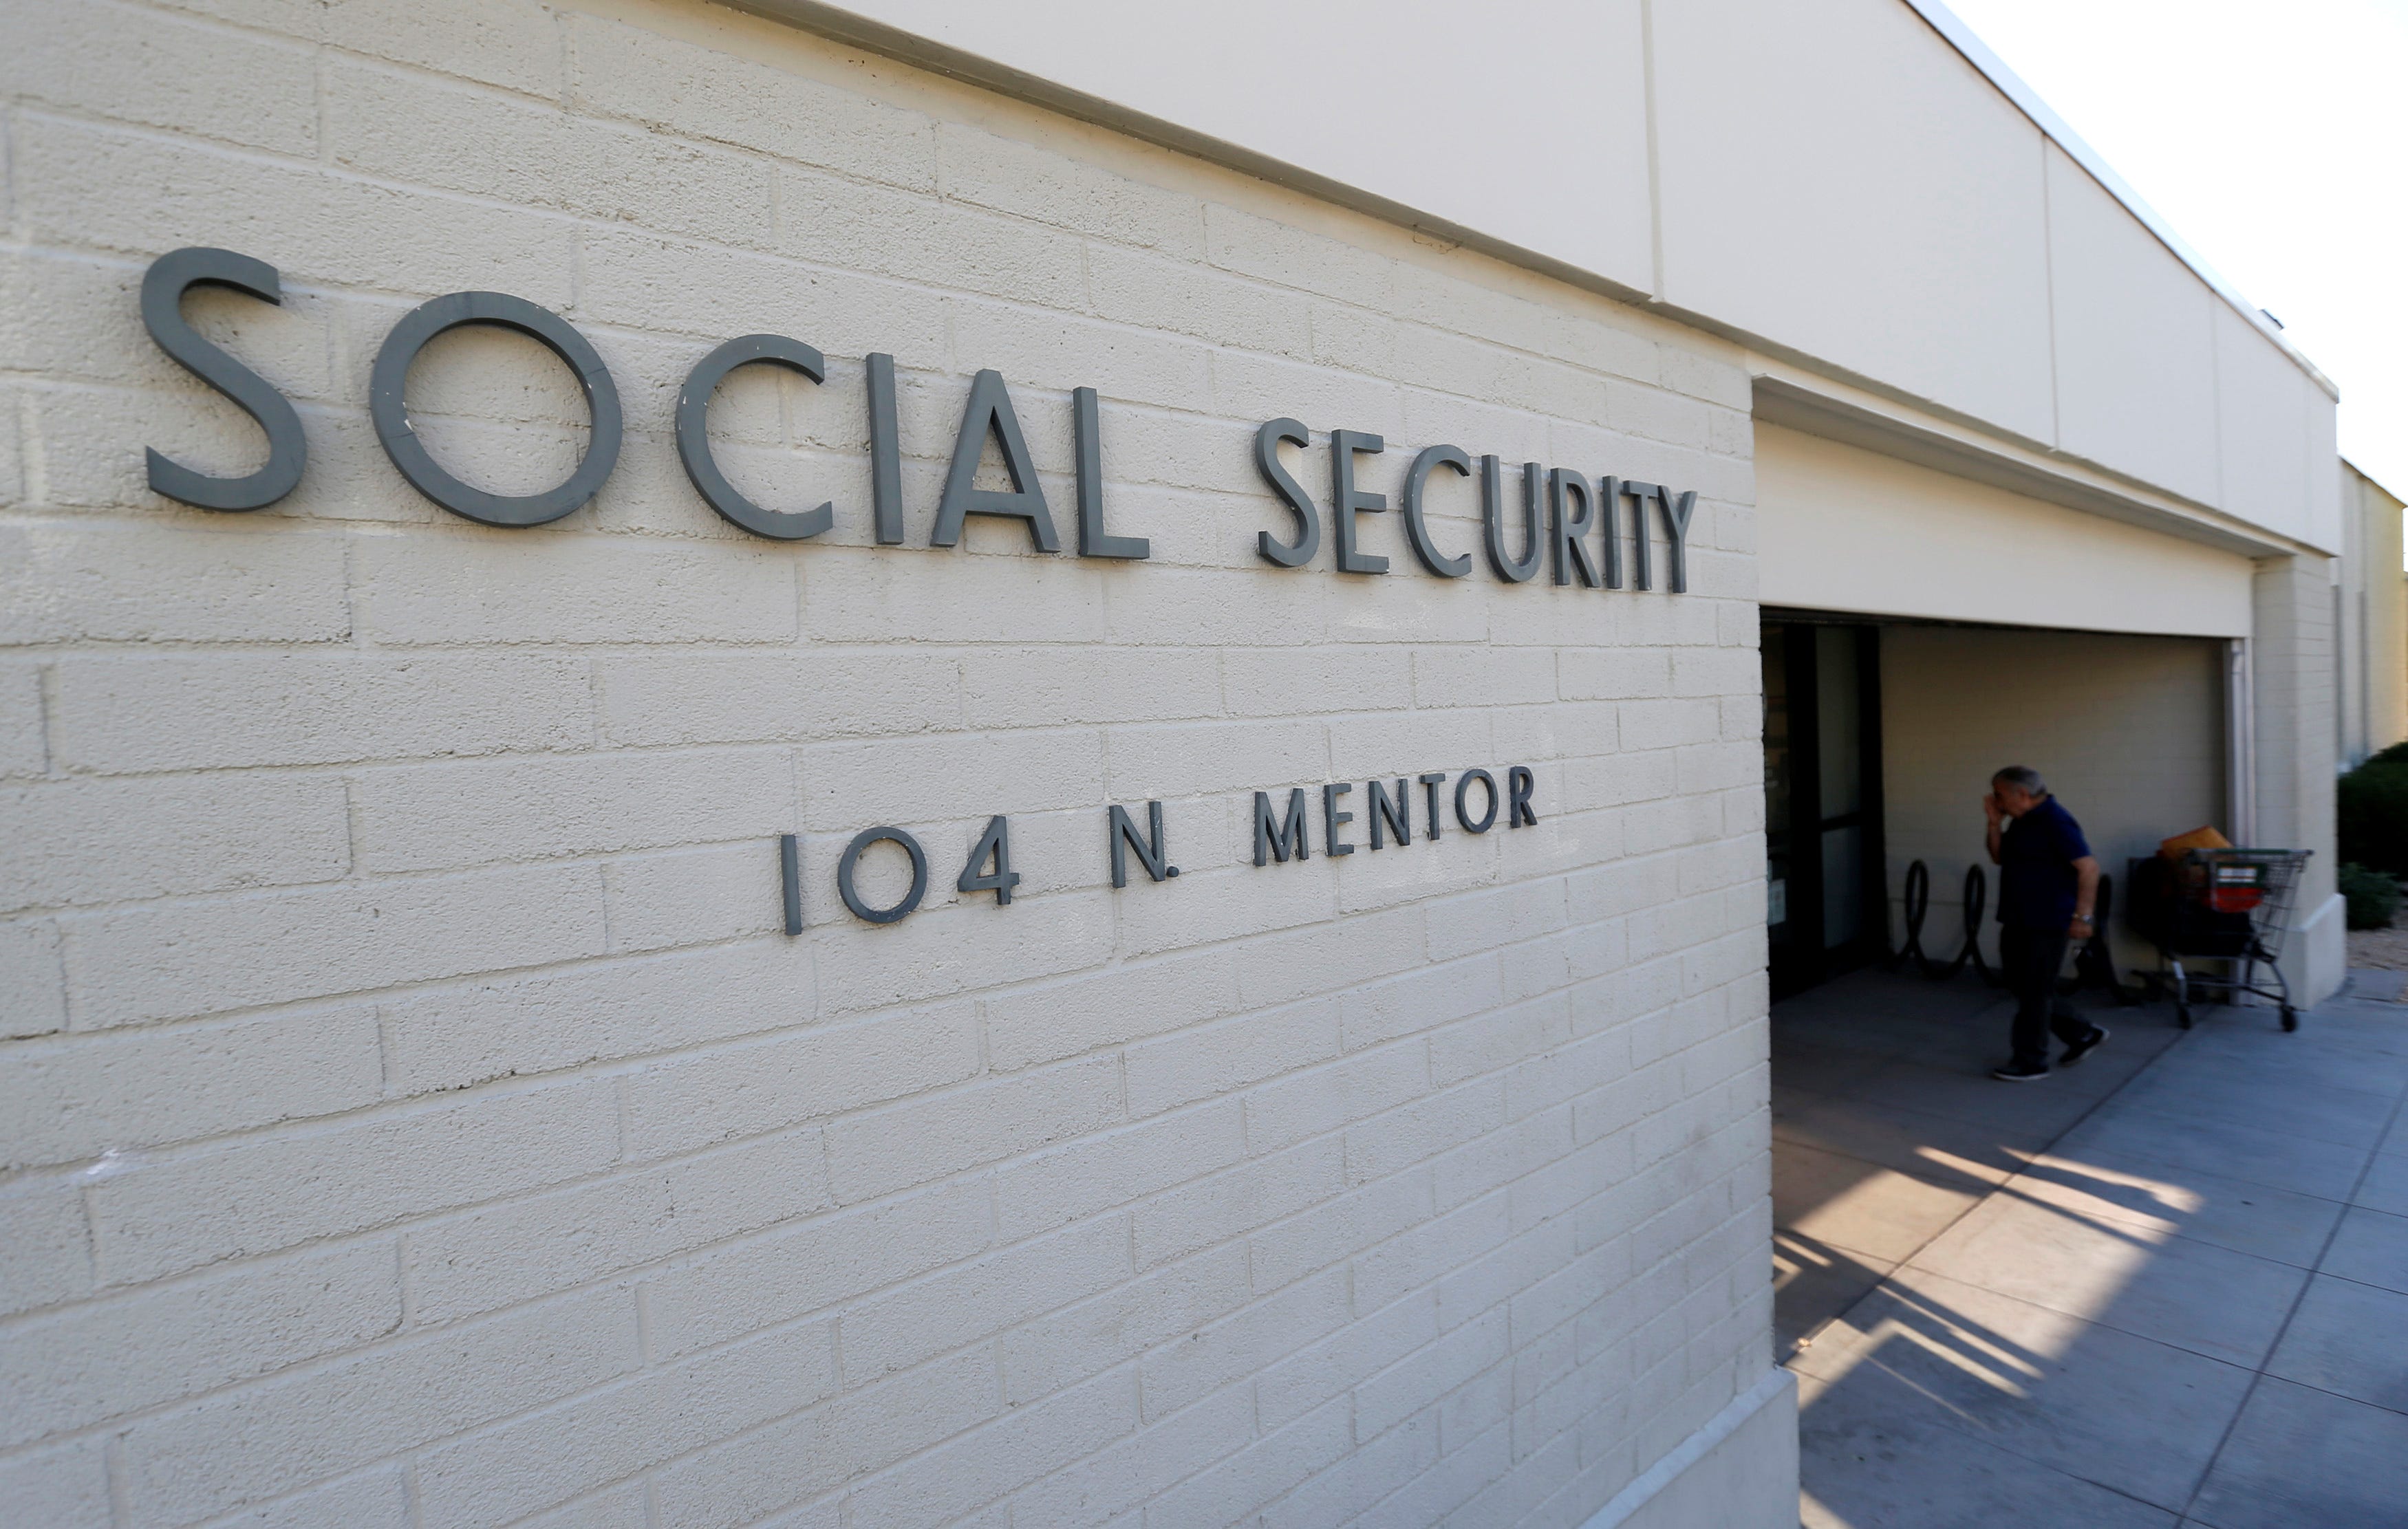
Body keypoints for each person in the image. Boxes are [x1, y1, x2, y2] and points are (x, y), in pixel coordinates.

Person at [1983, 766, 2109, 1081]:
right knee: (2019, 983)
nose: (1995, 800)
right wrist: (1994, 824)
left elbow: (2089, 869)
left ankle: (2031, 1061)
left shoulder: (2056, 821)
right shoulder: (2021, 821)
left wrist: (2083, 917)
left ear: (2021, 794)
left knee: (2035, 992)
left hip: (2048, 920)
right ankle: (2082, 1032)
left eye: (1999, 794)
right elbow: (1999, 857)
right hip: (2017, 917)